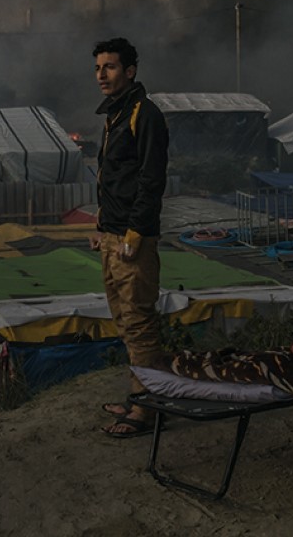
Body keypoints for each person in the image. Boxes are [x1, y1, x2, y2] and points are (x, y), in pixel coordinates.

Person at [89, 37, 170, 439]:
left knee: (138, 322)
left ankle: (147, 409)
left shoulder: (144, 114)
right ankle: (142, 395)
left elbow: (151, 180)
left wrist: (135, 232)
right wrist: (102, 225)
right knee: (124, 321)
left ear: (131, 71)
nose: (102, 75)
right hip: (111, 235)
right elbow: (115, 180)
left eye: (111, 67)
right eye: (99, 68)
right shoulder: (115, 116)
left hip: (131, 239)